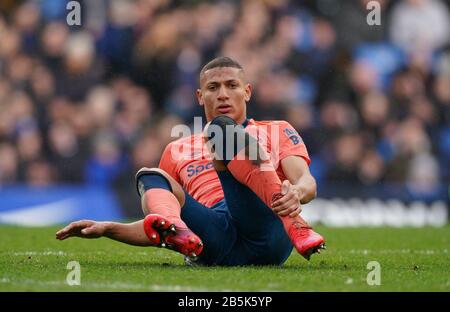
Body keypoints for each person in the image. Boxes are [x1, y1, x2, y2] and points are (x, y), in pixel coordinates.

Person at [56, 57, 325, 266]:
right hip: (214, 241)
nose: (222, 94)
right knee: (150, 176)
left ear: (247, 92)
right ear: (199, 96)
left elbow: (306, 181)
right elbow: (158, 223)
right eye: (213, 87)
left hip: (268, 226)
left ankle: (296, 225)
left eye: (231, 86)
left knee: (223, 131)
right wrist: (109, 228)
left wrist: (296, 193)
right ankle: (184, 235)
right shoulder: (176, 149)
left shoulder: (276, 129)